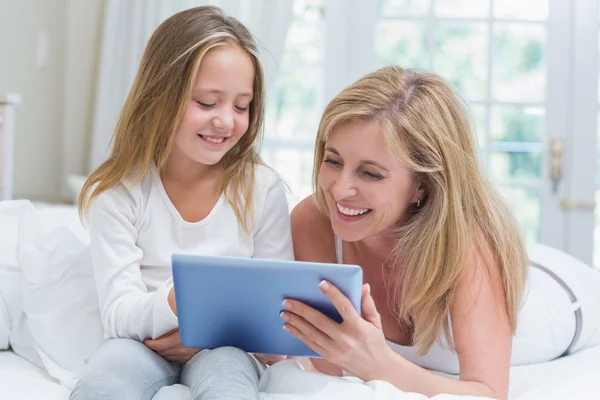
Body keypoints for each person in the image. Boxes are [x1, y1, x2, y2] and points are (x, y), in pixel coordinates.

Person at [274, 66, 600, 400]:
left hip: (561, 296)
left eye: (370, 174)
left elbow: (487, 393)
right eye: (333, 161)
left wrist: (378, 364)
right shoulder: (314, 220)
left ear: (422, 186)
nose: (340, 190)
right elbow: (328, 367)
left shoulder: (469, 245)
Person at [70, 6, 293, 400]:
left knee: (229, 387)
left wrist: (206, 331)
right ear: (161, 96)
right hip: (142, 344)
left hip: (228, 345)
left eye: (242, 106)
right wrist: (181, 301)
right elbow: (119, 312)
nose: (226, 121)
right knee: (101, 387)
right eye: (207, 103)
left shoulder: (262, 189)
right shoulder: (119, 192)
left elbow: (276, 310)